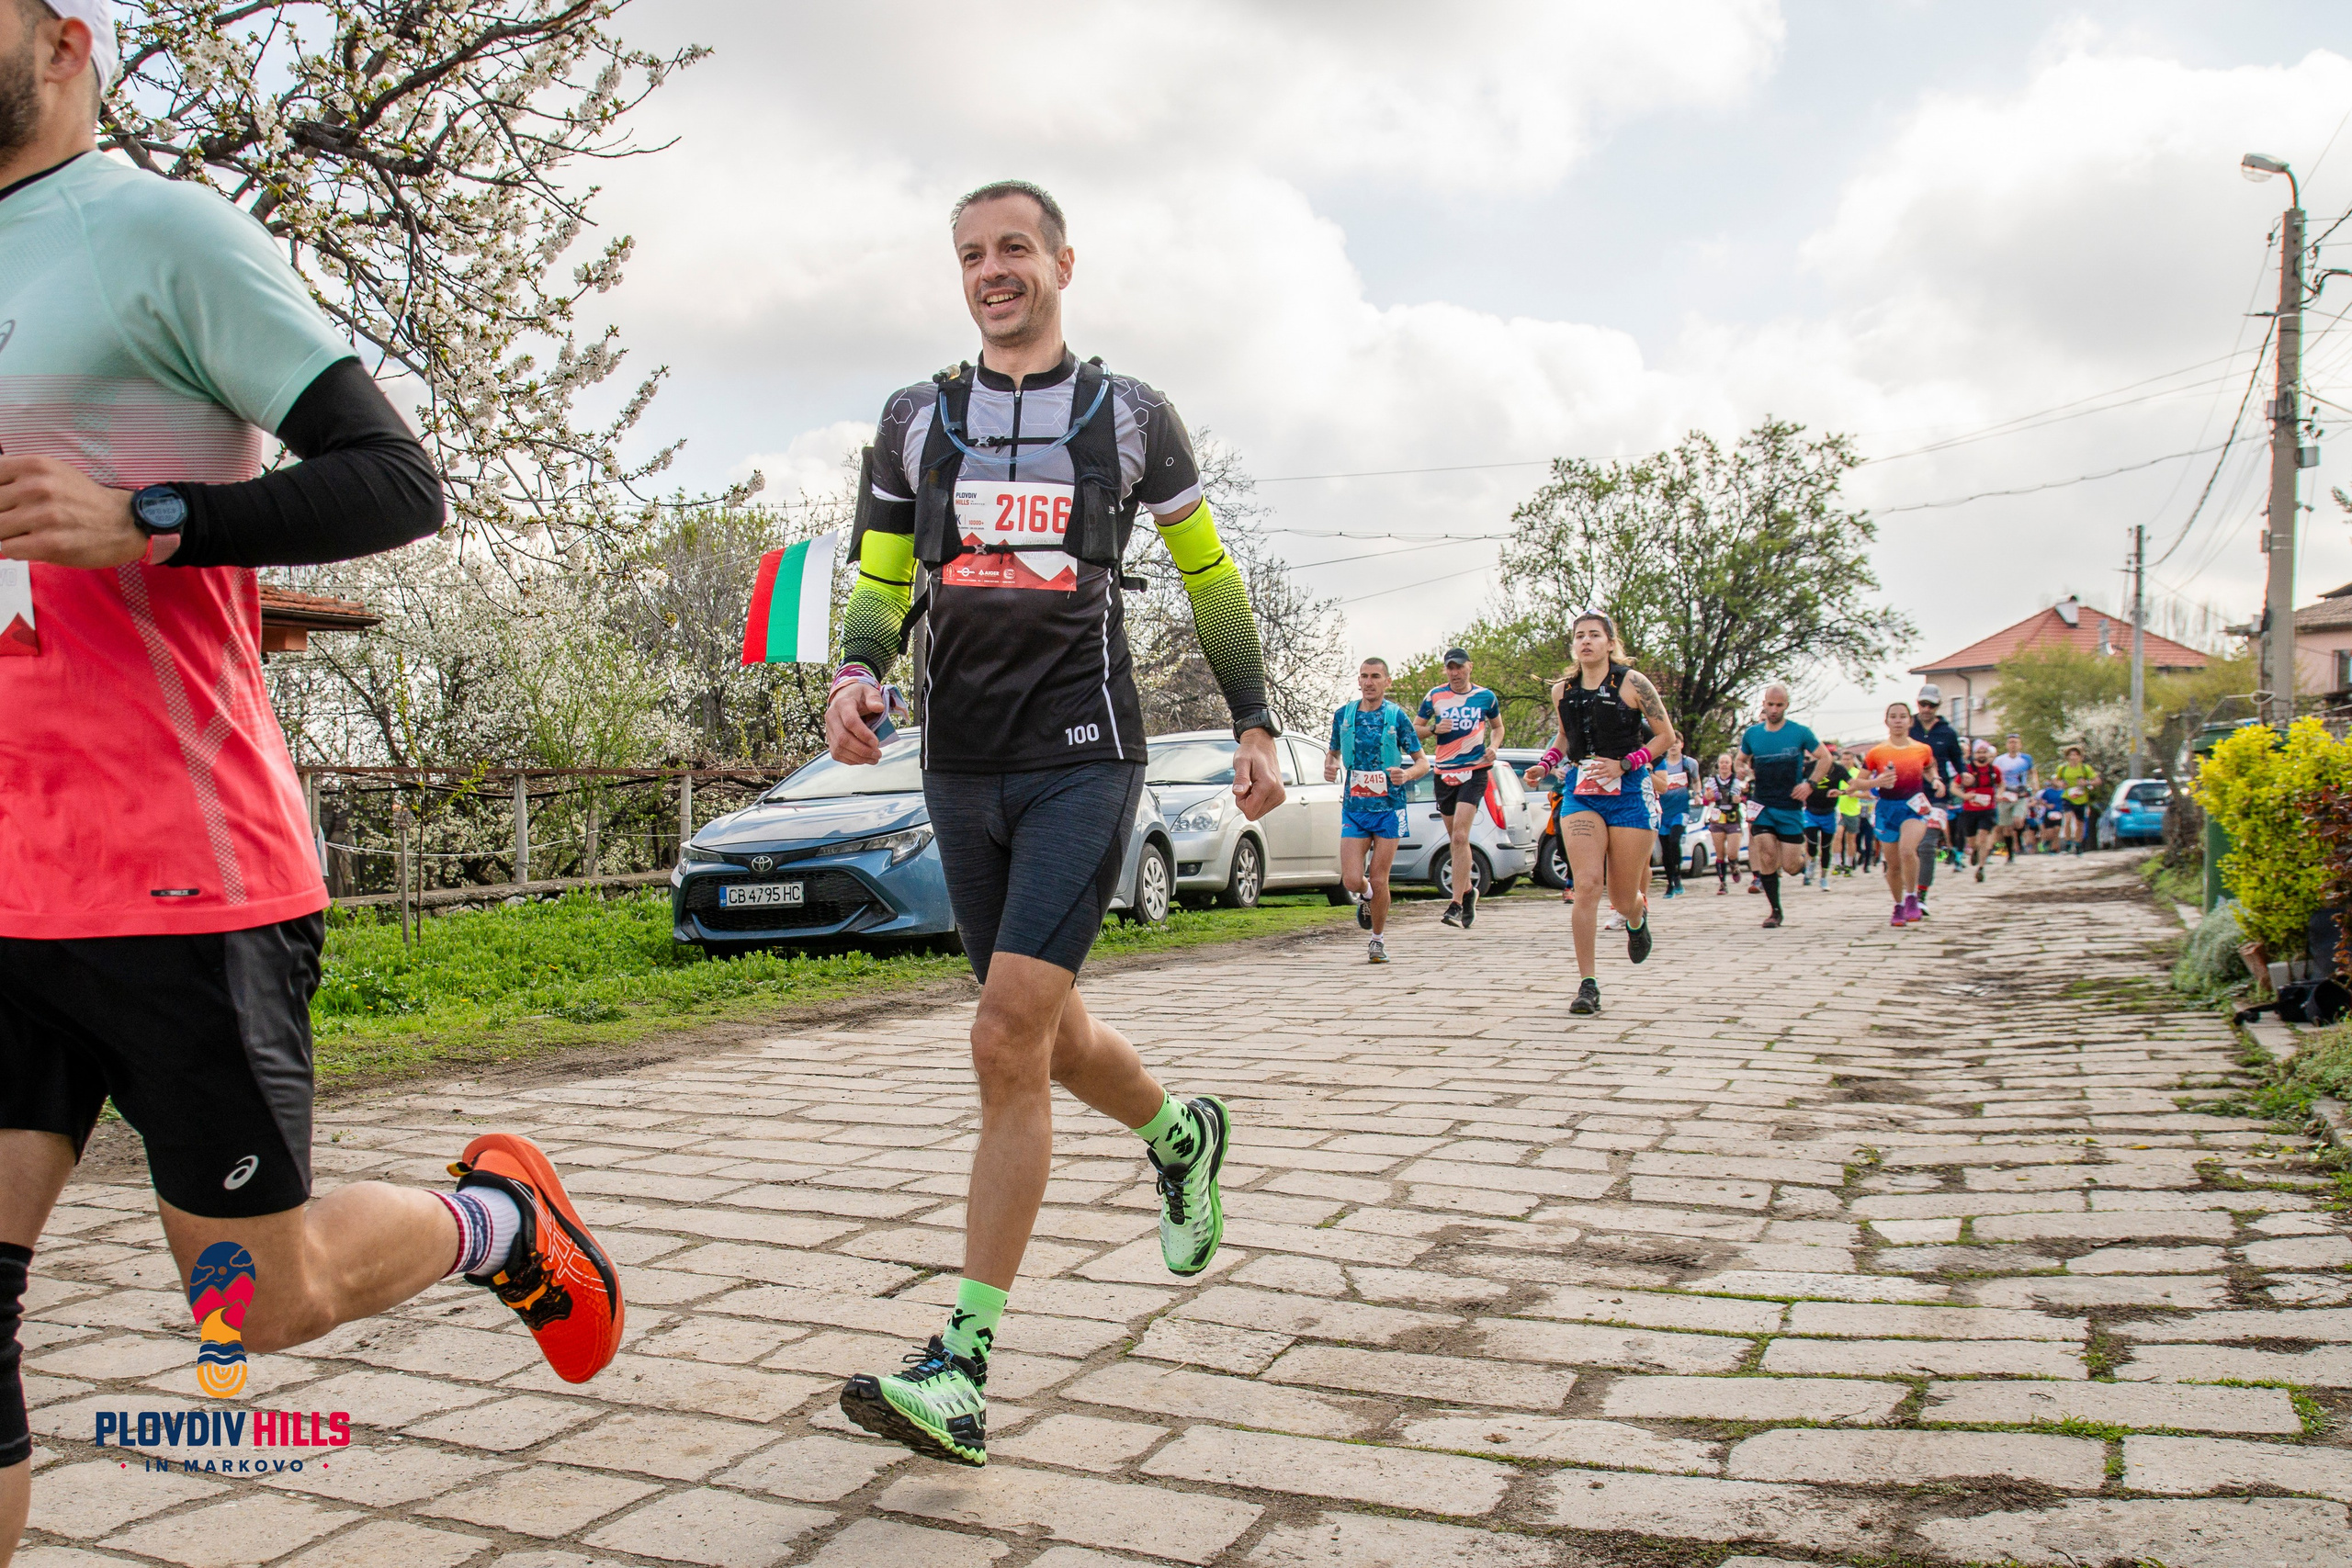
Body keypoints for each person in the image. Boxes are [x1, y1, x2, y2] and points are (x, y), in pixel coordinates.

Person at [0, 6, 622, 1554]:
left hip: (175, 874)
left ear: (65, 41)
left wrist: (149, 515)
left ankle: (499, 1222)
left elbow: (393, 479)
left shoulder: (160, 234)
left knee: (260, 1298)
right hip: (3, 876)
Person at [822, 180, 1280, 1466]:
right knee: (1046, 1034)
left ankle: (963, 1364)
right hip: (961, 763)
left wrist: (1253, 720)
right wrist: (855, 676)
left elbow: (1209, 573)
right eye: (970, 254)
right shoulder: (918, 417)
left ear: (1064, 260)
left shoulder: (1130, 415)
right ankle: (1182, 1134)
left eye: (1013, 247)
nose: (991, 270)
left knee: (1003, 1031)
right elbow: (875, 578)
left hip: (1084, 751)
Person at [1522, 612, 1674, 1016]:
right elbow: (1564, 737)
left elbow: (1666, 737)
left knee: (1623, 898)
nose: (1586, 641)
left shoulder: (1633, 683)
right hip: (1582, 794)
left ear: (1610, 642)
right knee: (1587, 884)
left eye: (1594, 635)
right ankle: (1587, 984)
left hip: (1628, 794)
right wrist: (1545, 763)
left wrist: (1626, 764)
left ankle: (1637, 918)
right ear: (1573, 645)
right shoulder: (1562, 691)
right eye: (1579, 636)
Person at [1325, 657, 1429, 962]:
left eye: (1375, 676)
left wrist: (1407, 774)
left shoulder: (1397, 717)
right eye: (1364, 676)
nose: (1369, 682)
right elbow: (1332, 754)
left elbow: (1422, 762)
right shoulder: (1343, 715)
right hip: (1355, 808)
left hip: (1389, 809)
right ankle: (1367, 897)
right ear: (1358, 681)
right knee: (1352, 881)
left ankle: (1377, 940)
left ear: (1387, 682)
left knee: (1381, 877)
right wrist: (1330, 766)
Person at [1417, 648, 1504, 928]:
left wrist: (1493, 747)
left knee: (1459, 837)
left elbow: (1498, 727)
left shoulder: (1485, 696)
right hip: (1444, 772)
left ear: (1470, 668)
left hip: (1475, 771)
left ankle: (1454, 905)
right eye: (1449, 668)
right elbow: (1414, 728)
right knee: (1455, 839)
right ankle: (1468, 892)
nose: (1454, 673)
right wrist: (1432, 730)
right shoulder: (1435, 696)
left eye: (1459, 667)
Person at [1737, 683, 1829, 930]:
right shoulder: (1752, 734)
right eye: (1770, 704)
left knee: (1790, 866)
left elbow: (1826, 758)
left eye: (1779, 705)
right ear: (1764, 704)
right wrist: (1741, 769)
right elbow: (1740, 760)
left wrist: (1810, 784)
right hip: (1762, 803)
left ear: (1786, 705)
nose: (1774, 709)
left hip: (1789, 806)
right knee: (1766, 853)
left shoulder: (1800, 733)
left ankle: (1806, 860)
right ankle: (1775, 911)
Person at [1860, 702, 1940, 926]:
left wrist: (1935, 780)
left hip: (1914, 806)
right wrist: (1876, 782)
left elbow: (1928, 767)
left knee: (1908, 850)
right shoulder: (1877, 752)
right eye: (1893, 716)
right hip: (1887, 809)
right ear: (1886, 721)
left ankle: (1912, 898)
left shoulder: (1921, 749)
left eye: (1902, 716)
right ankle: (1898, 906)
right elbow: (1859, 781)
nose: (1898, 720)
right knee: (1893, 864)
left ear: (1910, 721)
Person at [1909, 685, 1967, 897]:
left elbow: (1957, 759)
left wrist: (1965, 774)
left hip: (1937, 794)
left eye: (1931, 705)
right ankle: (1909, 891)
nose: (1926, 708)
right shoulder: (1908, 727)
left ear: (1938, 706)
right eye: (1923, 704)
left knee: (1927, 844)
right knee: (1910, 847)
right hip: (1909, 794)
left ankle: (1921, 895)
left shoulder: (1948, 732)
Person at [1650, 738, 1700, 897]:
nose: (1672, 746)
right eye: (1670, 743)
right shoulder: (1660, 763)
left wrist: (1697, 794)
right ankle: (1671, 882)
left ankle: (1677, 875)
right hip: (1664, 811)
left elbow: (1696, 780)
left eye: (1676, 743)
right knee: (1665, 848)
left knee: (1674, 840)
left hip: (1681, 810)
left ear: (1681, 745)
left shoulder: (1689, 764)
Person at [1802, 738, 1849, 892]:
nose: (1829, 758)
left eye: (1832, 755)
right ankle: (1811, 863)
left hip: (1829, 813)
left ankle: (1823, 877)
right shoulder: (1809, 768)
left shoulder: (1839, 770)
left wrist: (1841, 792)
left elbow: (1853, 785)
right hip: (1811, 811)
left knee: (1826, 846)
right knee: (1812, 843)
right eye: (1826, 755)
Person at [1956, 740, 2002, 882]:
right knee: (1972, 840)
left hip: (1988, 809)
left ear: (1989, 754)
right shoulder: (1967, 770)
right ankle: (1974, 850)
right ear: (1973, 754)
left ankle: (1981, 868)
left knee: (1983, 837)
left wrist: (1999, 794)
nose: (1981, 755)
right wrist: (1965, 796)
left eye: (1984, 752)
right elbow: (1954, 786)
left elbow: (2001, 784)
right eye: (1978, 752)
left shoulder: (1994, 770)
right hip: (1970, 809)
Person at [1702, 753, 1745, 894]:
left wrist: (1741, 799)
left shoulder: (1737, 781)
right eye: (1722, 762)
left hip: (1733, 817)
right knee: (1719, 853)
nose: (1724, 765)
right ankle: (1722, 883)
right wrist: (1707, 798)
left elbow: (1746, 795)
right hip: (1718, 817)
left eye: (1727, 762)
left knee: (1732, 852)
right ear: (1718, 765)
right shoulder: (1712, 781)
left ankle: (1734, 863)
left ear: (1731, 764)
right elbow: (1705, 799)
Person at [1991, 734, 2036, 863]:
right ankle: (2010, 854)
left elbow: (2033, 773)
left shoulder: (2026, 759)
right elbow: (1994, 777)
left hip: (2020, 795)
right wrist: (1996, 792)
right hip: (2005, 795)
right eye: (2010, 742)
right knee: (2007, 827)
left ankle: (2019, 838)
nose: (2013, 745)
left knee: (2018, 820)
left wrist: (2034, 786)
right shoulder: (1999, 760)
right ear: (2007, 745)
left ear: (2020, 744)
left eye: (2015, 742)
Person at [2054, 745, 2100, 855]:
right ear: (2067, 757)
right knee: (2068, 818)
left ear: (2080, 757)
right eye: (2071, 755)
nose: (2073, 757)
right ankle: (2068, 843)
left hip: (2081, 798)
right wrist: (2060, 784)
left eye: (2076, 755)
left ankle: (2078, 844)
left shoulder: (2085, 768)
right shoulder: (2063, 768)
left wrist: (2087, 783)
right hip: (2067, 796)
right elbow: (2056, 780)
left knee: (2080, 823)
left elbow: (2097, 781)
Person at [1833, 748, 1869, 875]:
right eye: (1843, 759)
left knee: (1851, 840)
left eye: (1848, 759)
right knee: (1837, 836)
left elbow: (1868, 794)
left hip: (1853, 811)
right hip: (1838, 809)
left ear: (1853, 760)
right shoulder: (1836, 772)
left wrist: (1856, 795)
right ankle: (1837, 864)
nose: (1845, 761)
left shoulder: (1858, 773)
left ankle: (1848, 864)